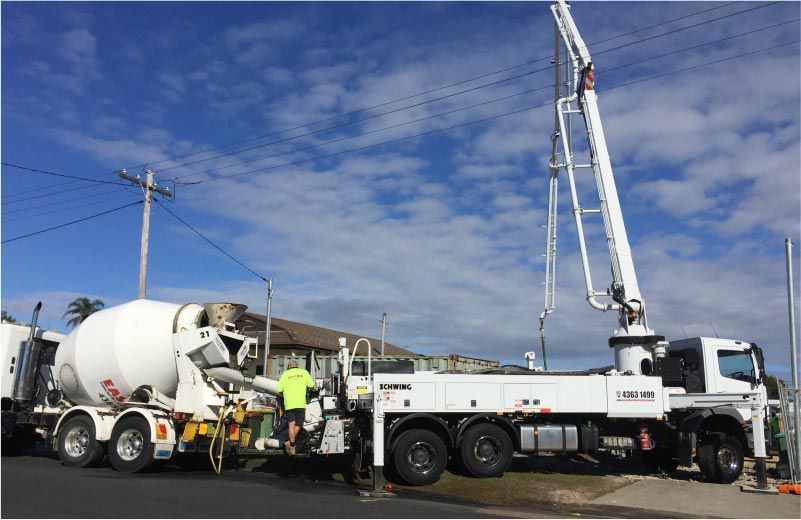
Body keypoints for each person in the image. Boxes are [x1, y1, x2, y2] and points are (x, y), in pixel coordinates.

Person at [276, 358, 314, 455]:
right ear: (297, 366)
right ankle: (290, 443)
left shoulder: (285, 374)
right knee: (299, 424)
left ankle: (292, 445)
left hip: (289, 404)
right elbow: (312, 385)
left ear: (289, 366)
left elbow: (279, 389)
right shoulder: (304, 372)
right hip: (300, 403)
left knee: (291, 424)